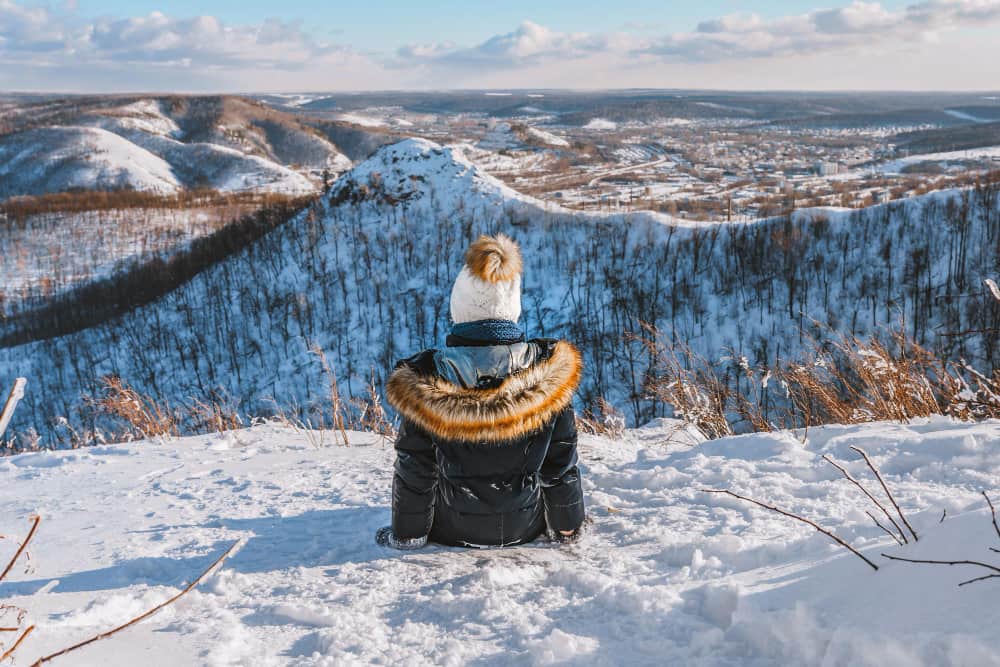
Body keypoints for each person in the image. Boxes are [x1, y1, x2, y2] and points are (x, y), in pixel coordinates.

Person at [376, 233, 586, 549]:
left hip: (450, 528)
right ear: (512, 310)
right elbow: (560, 466)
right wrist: (567, 529)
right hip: (525, 526)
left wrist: (407, 535)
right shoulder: (546, 378)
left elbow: (416, 469)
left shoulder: (429, 380)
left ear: (459, 311)